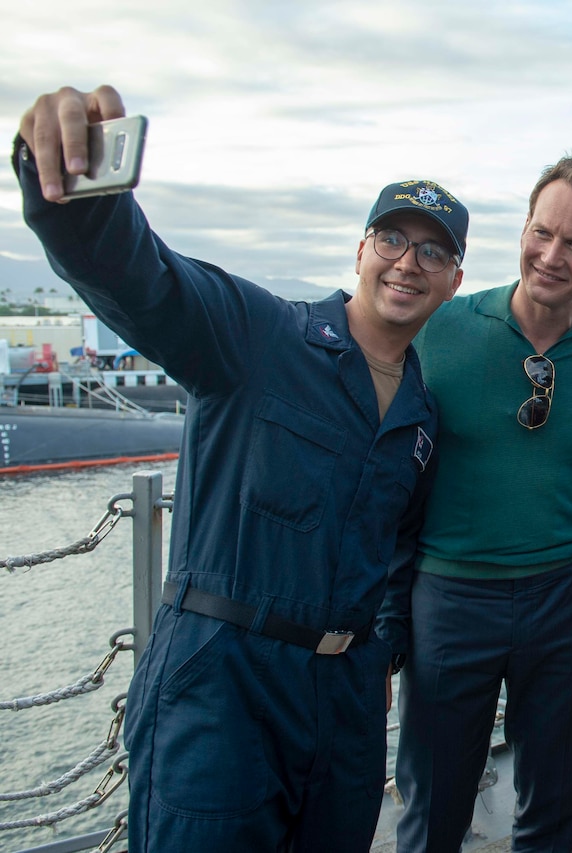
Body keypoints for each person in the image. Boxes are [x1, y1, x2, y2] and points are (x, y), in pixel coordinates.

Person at [15, 86, 468, 851]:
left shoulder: (422, 415)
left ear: (454, 280)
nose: (408, 261)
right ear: (360, 252)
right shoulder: (257, 334)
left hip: (345, 703)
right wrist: (76, 190)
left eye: (433, 250)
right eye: (392, 238)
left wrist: (380, 650)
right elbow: (146, 280)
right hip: (220, 689)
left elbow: (400, 549)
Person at [392, 155, 572, 852]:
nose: (552, 255)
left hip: (564, 597)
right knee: (433, 808)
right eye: (542, 232)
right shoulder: (439, 326)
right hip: (448, 595)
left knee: (555, 809)